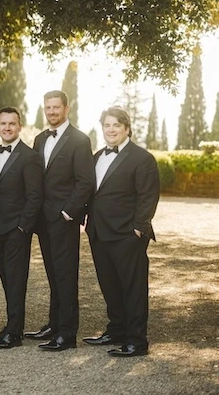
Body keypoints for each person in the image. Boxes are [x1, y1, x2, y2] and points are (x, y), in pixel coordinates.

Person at [83, 107, 159, 358]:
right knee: (110, 285)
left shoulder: (142, 158)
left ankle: (136, 341)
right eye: (107, 125)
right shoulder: (96, 157)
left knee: (133, 289)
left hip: (127, 234)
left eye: (116, 125)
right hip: (99, 232)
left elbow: (148, 196)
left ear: (127, 128)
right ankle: (116, 330)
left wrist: (138, 228)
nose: (111, 129)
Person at [26, 90, 95, 352]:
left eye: (56, 107)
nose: (52, 112)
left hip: (64, 220)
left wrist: (68, 212)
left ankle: (67, 334)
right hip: (43, 220)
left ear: (67, 109)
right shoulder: (40, 139)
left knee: (66, 276)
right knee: (53, 275)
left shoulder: (79, 140)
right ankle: (54, 325)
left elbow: (85, 181)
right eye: (48, 107)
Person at [0, 107, 44, 349]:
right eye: (3, 123)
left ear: (20, 127)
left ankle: (14, 332)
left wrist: (23, 228)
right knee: (6, 279)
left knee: (16, 280)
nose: (7, 128)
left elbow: (35, 196)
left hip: (16, 230)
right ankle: (11, 326)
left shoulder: (29, 157)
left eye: (12, 123)